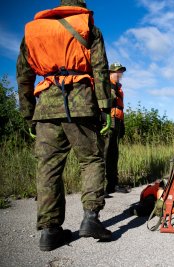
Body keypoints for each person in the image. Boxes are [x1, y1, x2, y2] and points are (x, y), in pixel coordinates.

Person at [17, 0, 113, 251]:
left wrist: (28, 114)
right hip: (80, 103)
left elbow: (24, 76)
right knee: (91, 160)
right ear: (80, 5)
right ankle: (91, 219)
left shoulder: (34, 30)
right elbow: (101, 68)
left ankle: (50, 232)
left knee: (47, 169)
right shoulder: (89, 27)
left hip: (46, 105)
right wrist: (104, 107)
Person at [104, 62, 128, 195]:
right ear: (110, 72)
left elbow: (120, 107)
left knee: (114, 154)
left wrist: (122, 124)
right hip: (108, 120)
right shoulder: (106, 85)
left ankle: (112, 185)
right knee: (104, 152)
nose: (120, 74)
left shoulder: (118, 87)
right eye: (118, 72)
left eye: (121, 72)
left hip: (117, 121)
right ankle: (99, 188)